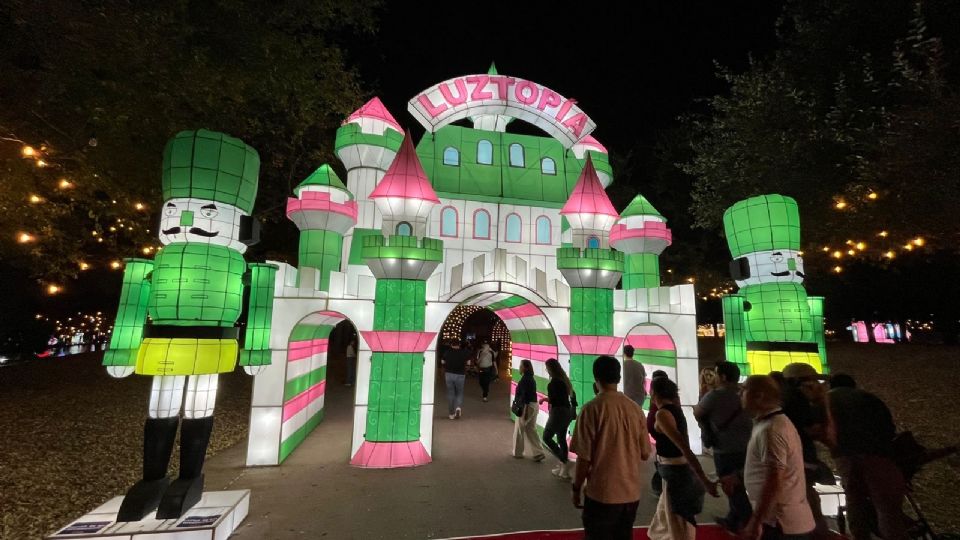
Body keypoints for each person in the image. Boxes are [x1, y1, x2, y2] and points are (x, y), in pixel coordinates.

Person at [570, 355, 651, 540]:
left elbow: (584, 458)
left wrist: (576, 488)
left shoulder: (591, 409)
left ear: (596, 378)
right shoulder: (635, 409)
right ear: (619, 378)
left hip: (601, 494)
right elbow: (645, 453)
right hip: (630, 494)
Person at [825, 374, 908, 540]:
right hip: (876, 454)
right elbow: (888, 427)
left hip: (844, 455)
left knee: (854, 498)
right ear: (853, 384)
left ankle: (859, 535)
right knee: (885, 505)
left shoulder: (827, 400)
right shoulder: (868, 398)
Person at [741, 374, 815, 540]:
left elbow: (775, 478)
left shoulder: (771, 429)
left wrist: (756, 521)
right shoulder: (770, 423)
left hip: (780, 522)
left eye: (744, 390)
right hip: (779, 520)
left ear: (759, 395)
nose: (740, 394)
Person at [648, 377, 718, 540]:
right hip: (673, 470)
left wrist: (704, 479)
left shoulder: (662, 414)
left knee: (677, 520)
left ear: (653, 393)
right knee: (668, 517)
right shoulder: (675, 410)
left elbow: (684, 448)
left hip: (675, 472)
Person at [695, 362, 753, 533]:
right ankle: (732, 519)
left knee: (732, 488)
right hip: (747, 447)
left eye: (716, 374)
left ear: (723, 377)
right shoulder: (744, 393)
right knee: (739, 484)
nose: (714, 377)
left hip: (725, 448)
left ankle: (749, 524)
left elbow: (698, 412)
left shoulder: (715, 395)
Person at [780, 363, 831, 537]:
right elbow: (814, 430)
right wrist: (821, 402)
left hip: (791, 459)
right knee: (809, 504)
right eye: (813, 381)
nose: (817, 384)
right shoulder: (798, 400)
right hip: (801, 460)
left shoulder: (785, 398)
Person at [540, 358, 576, 479]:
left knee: (547, 437)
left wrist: (545, 399)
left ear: (551, 369)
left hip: (558, 412)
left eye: (547, 368)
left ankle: (564, 461)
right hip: (567, 412)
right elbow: (571, 395)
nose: (546, 370)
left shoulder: (553, 383)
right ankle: (563, 468)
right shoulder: (564, 380)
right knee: (561, 439)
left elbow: (555, 400)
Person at [513, 359, 545, 461]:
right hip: (534, 405)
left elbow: (524, 396)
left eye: (521, 366)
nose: (519, 367)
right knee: (531, 429)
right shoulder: (530, 378)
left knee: (519, 429)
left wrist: (525, 411)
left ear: (525, 368)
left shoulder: (525, 379)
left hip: (527, 406)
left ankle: (518, 452)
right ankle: (538, 452)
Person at [648, 369, 670, 498]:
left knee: (663, 457)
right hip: (660, 433)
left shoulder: (661, 403)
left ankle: (659, 484)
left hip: (661, 433)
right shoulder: (666, 398)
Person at [441, 340, 470, 420]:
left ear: (451, 345)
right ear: (459, 345)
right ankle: (458, 407)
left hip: (449, 374)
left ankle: (451, 414)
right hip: (460, 374)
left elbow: (442, 361)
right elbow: (468, 362)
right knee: (459, 393)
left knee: (451, 393)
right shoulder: (463, 352)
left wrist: (446, 365)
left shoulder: (447, 352)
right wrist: (466, 367)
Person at [622, 344, 647, 409]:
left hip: (627, 396)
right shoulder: (639, 365)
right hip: (640, 397)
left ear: (624, 353)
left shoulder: (622, 365)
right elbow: (644, 381)